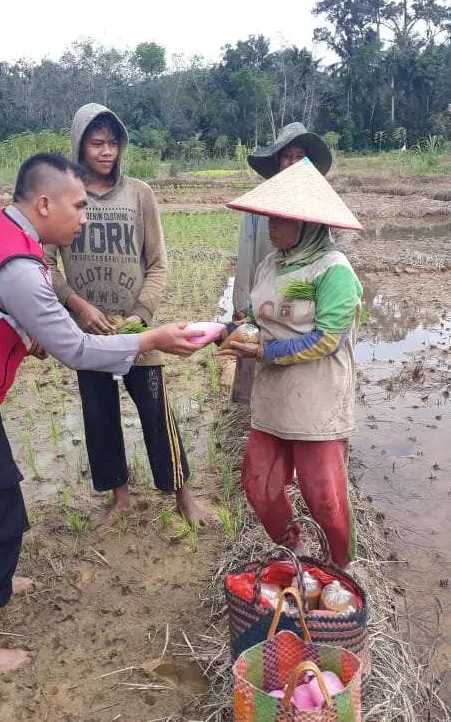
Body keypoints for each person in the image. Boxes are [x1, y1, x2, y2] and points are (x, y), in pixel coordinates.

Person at [0, 153, 205, 673]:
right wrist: (150, 338)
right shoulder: (21, 267)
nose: (85, 218)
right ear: (44, 203)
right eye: (79, 206)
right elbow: (77, 350)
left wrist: (18, 332)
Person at [45, 103, 208, 527]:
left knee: (157, 411)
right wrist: (77, 306)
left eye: (113, 143)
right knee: (99, 416)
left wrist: (141, 314)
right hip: (89, 332)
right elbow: (43, 263)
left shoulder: (139, 194)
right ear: (80, 145)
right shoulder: (67, 196)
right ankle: (121, 498)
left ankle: (183, 496)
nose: (106, 152)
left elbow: (157, 263)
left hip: (139, 330)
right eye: (96, 143)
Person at [217, 158, 363, 568]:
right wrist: (221, 333)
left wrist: (264, 351)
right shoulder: (270, 264)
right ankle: (292, 547)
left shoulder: (332, 270)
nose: (271, 226)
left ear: (310, 224)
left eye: (282, 218)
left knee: (325, 499)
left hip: (316, 401)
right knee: (259, 485)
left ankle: (340, 567)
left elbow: (328, 339)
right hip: (273, 398)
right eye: (269, 217)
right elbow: (249, 316)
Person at [232, 122, 334, 320]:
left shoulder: (318, 203)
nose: (292, 162)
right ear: (278, 162)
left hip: (301, 297)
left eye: (299, 156)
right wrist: (241, 304)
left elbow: (326, 252)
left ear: (308, 163)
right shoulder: (260, 203)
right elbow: (246, 255)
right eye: (287, 156)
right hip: (265, 291)